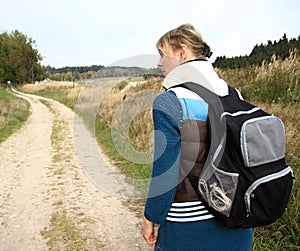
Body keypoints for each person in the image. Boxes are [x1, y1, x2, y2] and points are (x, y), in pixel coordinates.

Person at [140, 23, 253, 250]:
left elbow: (166, 170)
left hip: (189, 228)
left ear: (182, 52)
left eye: (162, 55)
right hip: (238, 221)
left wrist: (150, 217)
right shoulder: (233, 94)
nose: (159, 63)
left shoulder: (170, 100)